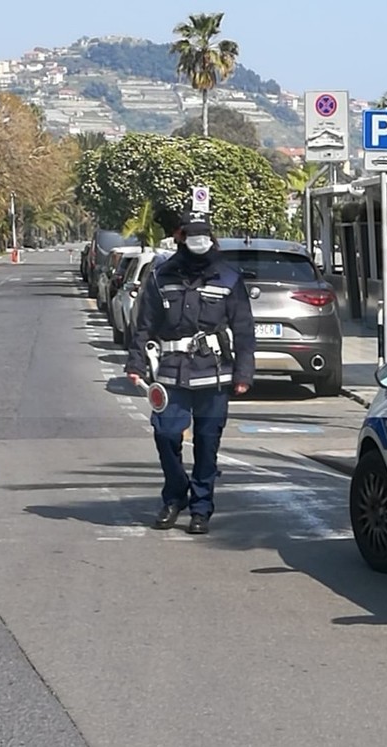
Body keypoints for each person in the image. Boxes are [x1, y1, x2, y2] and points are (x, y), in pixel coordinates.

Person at [125, 209, 255, 535]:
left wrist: (243, 373)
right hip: (172, 373)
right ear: (180, 237)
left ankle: (201, 508)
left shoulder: (228, 278)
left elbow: (244, 329)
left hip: (214, 374)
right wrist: (136, 363)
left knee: (207, 445)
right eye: (191, 234)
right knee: (166, 435)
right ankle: (175, 495)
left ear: (211, 238)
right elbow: (144, 325)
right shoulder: (161, 276)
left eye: (203, 235)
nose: (198, 241)